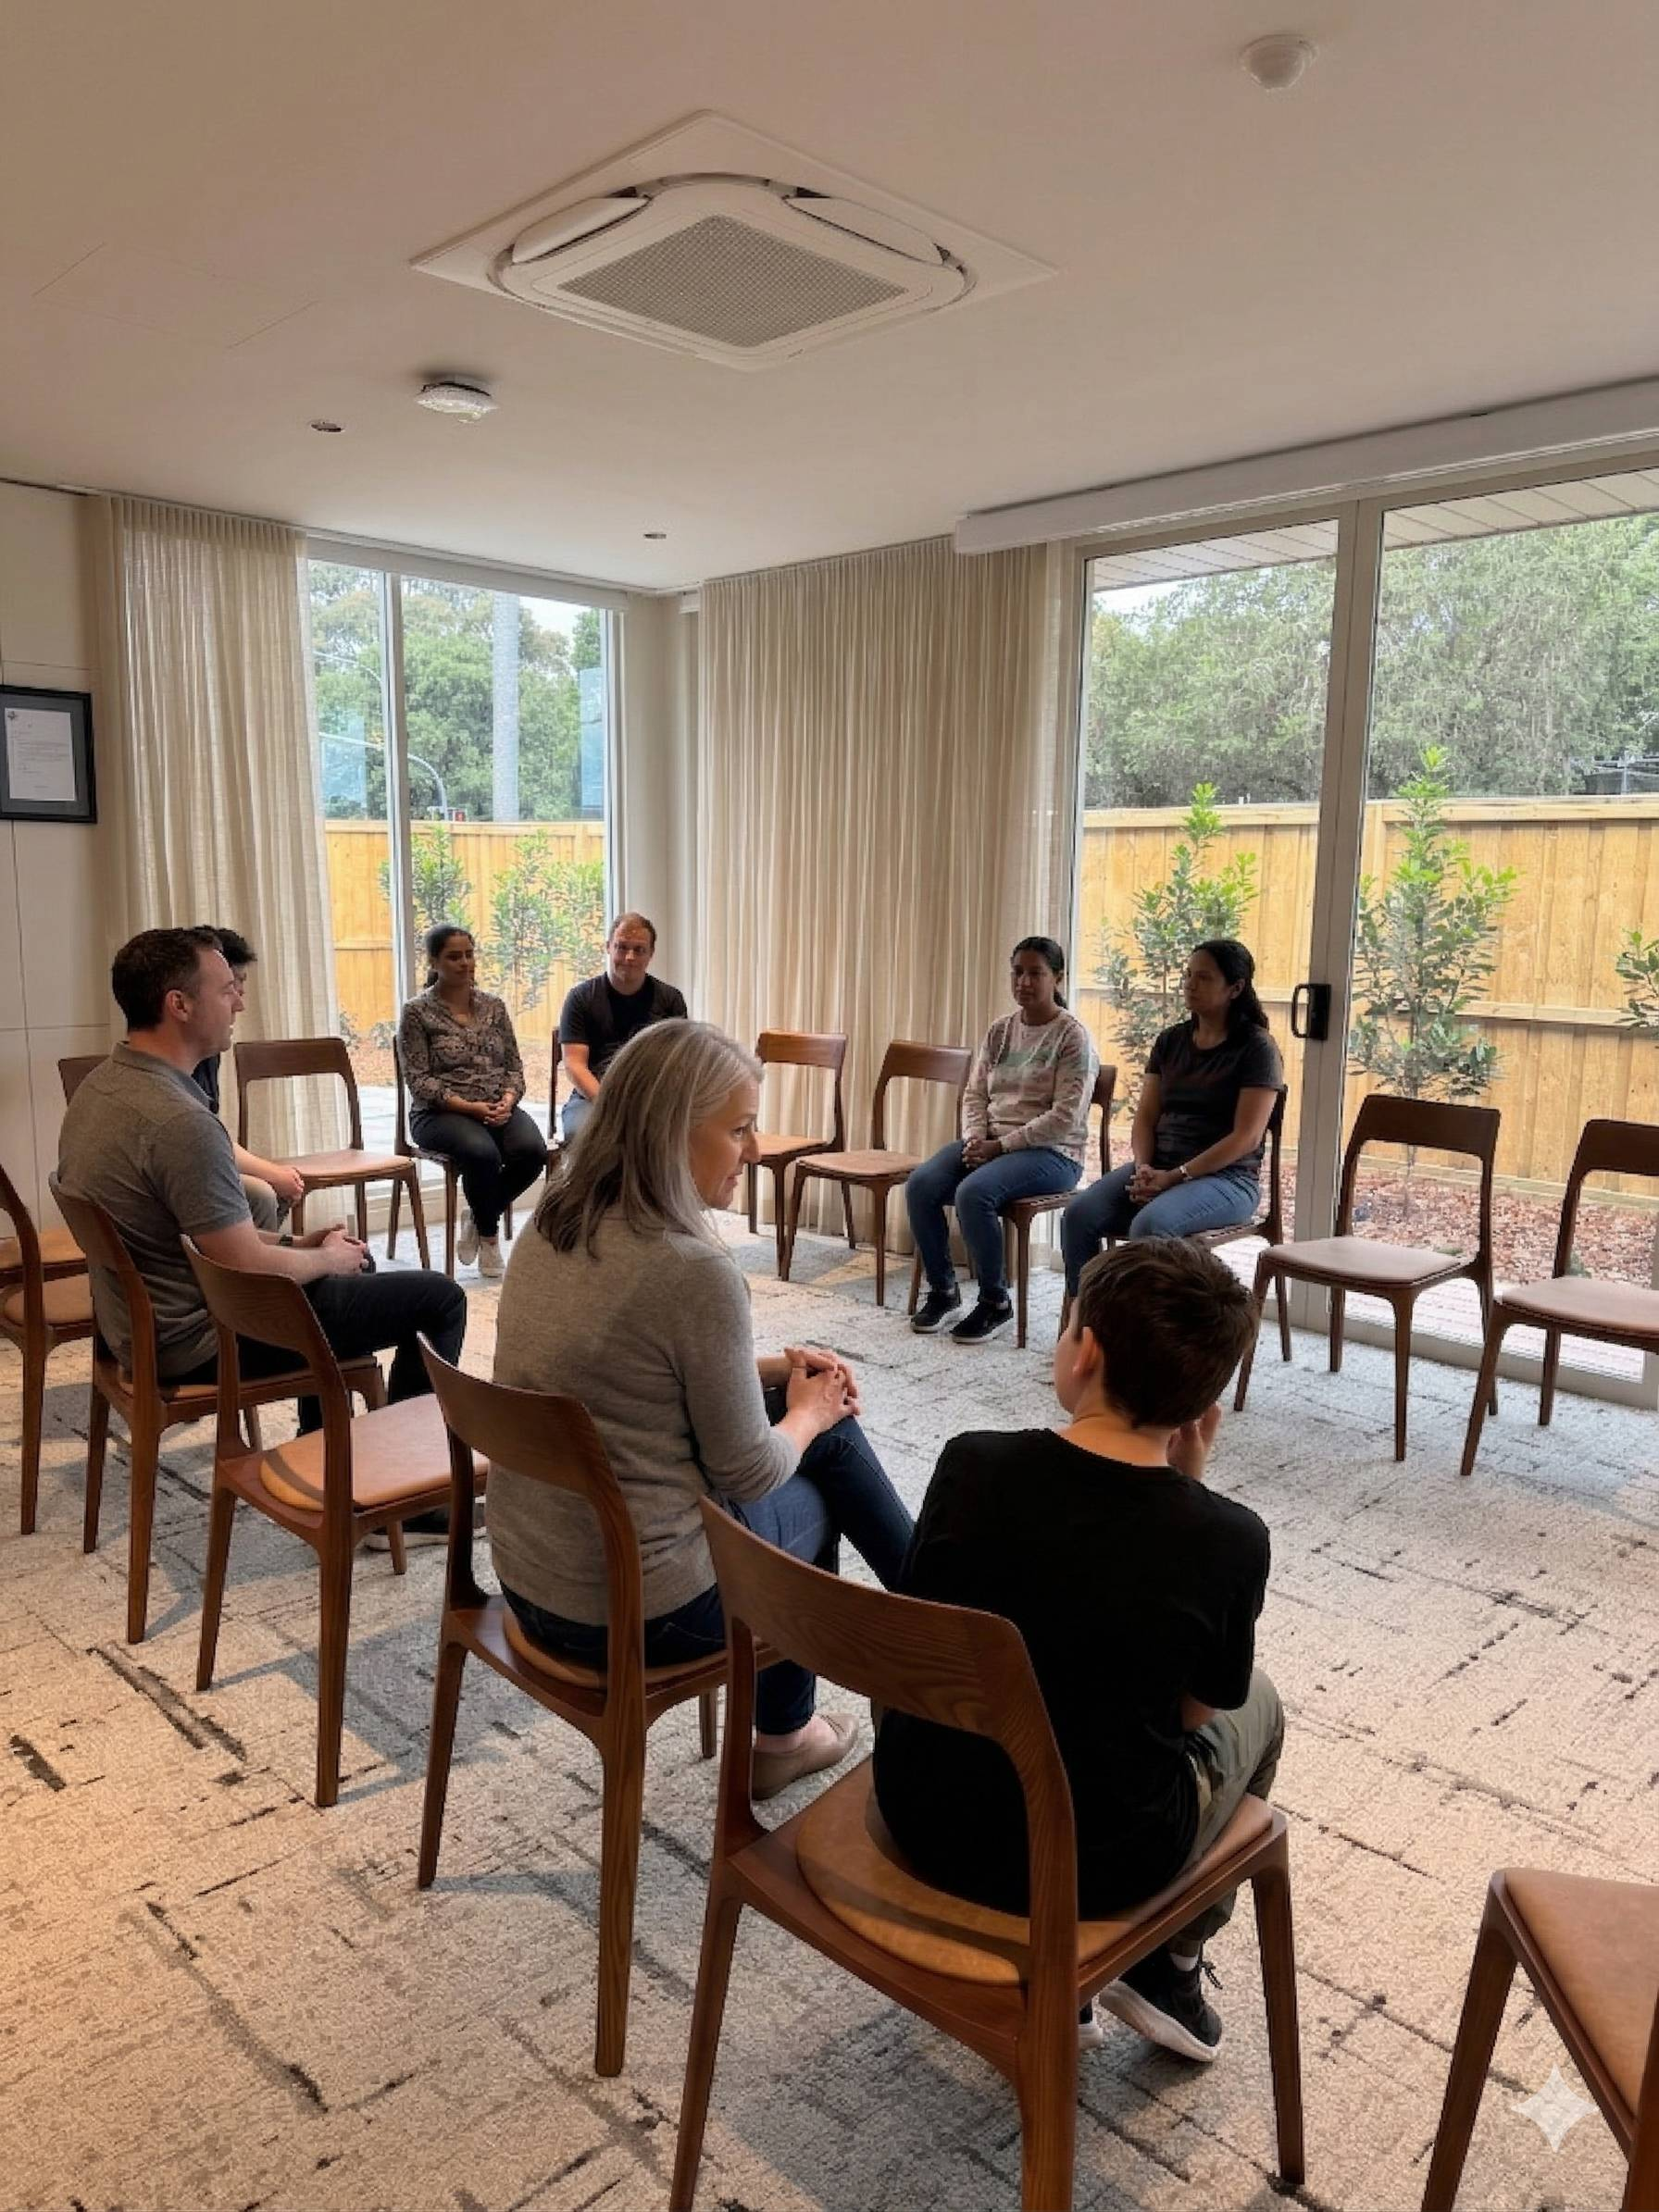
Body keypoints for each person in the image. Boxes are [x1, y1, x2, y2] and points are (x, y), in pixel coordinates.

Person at [873, 1239, 1278, 2064]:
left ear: (1084, 1351)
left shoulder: (970, 1462)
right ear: (1203, 1408)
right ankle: (1170, 1963)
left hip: (925, 1813)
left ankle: (1146, 1971)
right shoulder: (1229, 1540)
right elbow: (1195, 1711)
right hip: (1099, 1866)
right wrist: (1188, 1493)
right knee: (1260, 1705)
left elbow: (914, 1635)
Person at [488, 1018, 915, 1799]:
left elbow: (627, 1371)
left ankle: (928, 1617)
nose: (753, 1150)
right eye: (740, 1130)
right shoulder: (690, 1271)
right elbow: (748, 1472)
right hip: (640, 1614)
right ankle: (842, 1699)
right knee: (820, 1472)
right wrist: (813, 1411)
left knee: (809, 1413)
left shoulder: (555, 1216)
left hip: (531, 1581)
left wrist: (782, 1371)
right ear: (670, 1131)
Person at [59, 927, 468, 1539]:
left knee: (355, 1268)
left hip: (140, 1328)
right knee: (439, 1299)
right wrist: (322, 1261)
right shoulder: (178, 1121)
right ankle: (405, 1505)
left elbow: (203, 1236)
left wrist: (304, 1248)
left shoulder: (103, 1087)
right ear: (180, 1004)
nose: (240, 1003)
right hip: (201, 1341)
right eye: (227, 990)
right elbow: (244, 1265)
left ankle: (327, 1455)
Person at [1061, 938, 1282, 1300]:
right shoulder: (1170, 1041)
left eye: (1204, 978)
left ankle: (1146, 1340)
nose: (1190, 985)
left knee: (1151, 1225)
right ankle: (1087, 1328)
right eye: (1188, 975)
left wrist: (1175, 1177)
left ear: (1236, 988)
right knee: (1078, 1215)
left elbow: (1246, 1137)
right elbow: (1146, 1117)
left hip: (1228, 1180)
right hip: (1161, 1168)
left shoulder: (1257, 1048)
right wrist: (1146, 1168)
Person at [907, 937, 1097, 1345]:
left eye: (1036, 973)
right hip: (991, 1143)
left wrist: (1001, 1146)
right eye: (1017, 972)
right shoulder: (1000, 1030)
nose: (1024, 982)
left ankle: (996, 1301)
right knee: (921, 1185)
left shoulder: (1072, 1037)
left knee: (973, 1193)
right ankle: (943, 1290)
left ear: (1057, 977)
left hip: (1052, 1153)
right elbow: (975, 1093)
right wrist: (976, 1138)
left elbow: (1065, 1117)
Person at [397, 924, 547, 1279]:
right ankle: (490, 1238)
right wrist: (469, 1108)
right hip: (440, 1112)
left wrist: (508, 1100)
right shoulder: (417, 1012)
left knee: (533, 1152)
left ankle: (480, 1212)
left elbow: (514, 1065)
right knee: (483, 1155)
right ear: (434, 961)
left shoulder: (494, 1006)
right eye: (454, 956)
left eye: (469, 954)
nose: (465, 963)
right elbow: (419, 1081)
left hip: (497, 1106)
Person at [190, 926, 306, 1233]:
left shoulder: (207, 1048)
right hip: (190, 1173)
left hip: (202, 1160)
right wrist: (271, 1172)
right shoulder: (185, 1055)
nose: (240, 999)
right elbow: (202, 1144)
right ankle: (257, 1276)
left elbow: (209, 1132)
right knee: (264, 1193)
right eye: (232, 985)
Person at [556, 911, 688, 1142]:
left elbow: (678, 1065)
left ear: (651, 954)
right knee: (585, 1134)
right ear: (608, 947)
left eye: (639, 950)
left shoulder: (670, 1000)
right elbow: (575, 1065)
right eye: (622, 947)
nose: (629, 957)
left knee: (675, 1135)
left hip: (651, 1099)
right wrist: (610, 1105)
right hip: (592, 1098)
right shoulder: (580, 998)